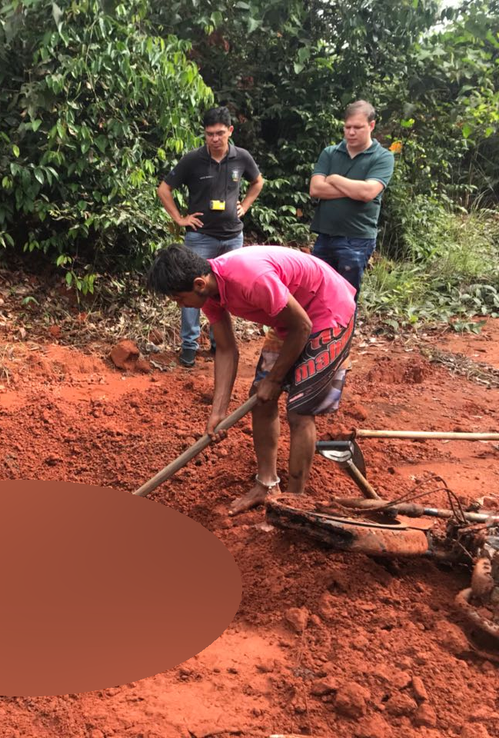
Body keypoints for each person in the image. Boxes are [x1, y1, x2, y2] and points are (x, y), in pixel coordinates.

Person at [147, 244, 357, 515]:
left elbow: (302, 326)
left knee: (300, 411)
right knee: (260, 398)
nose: (180, 305)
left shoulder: (249, 278)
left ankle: (294, 505)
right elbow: (225, 348)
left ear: (198, 283)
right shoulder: (210, 291)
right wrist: (218, 412)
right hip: (290, 319)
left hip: (327, 312)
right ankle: (267, 484)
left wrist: (276, 378)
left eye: (179, 298)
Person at [157, 106, 264, 368]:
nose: (214, 139)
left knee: (227, 292)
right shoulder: (192, 160)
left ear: (230, 131)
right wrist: (180, 219)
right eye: (209, 134)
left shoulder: (242, 158)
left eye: (219, 133)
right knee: (190, 291)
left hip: (232, 238)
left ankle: (220, 343)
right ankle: (189, 346)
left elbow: (258, 182)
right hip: (200, 238)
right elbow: (164, 189)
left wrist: (246, 205)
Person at [309, 100, 395, 298]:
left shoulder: (382, 157)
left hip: (357, 239)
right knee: (315, 294)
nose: (351, 132)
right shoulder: (330, 153)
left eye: (358, 127)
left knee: (344, 298)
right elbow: (315, 189)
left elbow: (367, 193)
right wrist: (355, 188)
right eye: (347, 127)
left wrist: (334, 179)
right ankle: (318, 331)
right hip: (325, 236)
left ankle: (343, 331)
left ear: (371, 126)